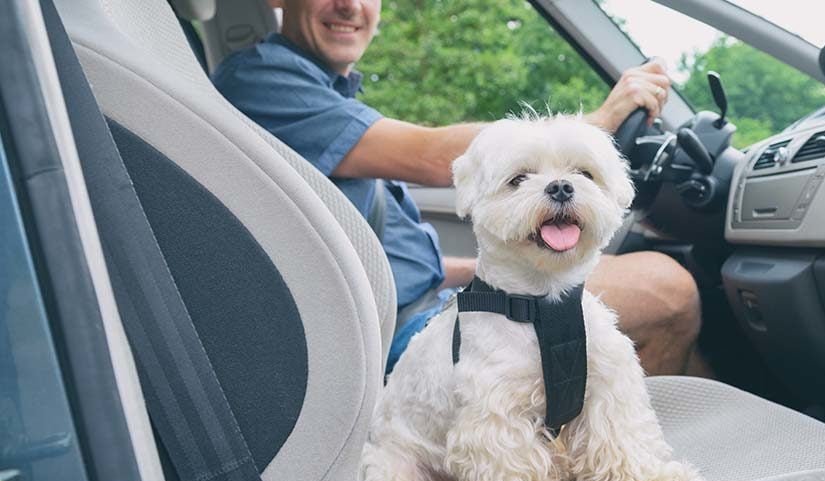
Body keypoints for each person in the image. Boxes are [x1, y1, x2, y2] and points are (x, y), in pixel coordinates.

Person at [213, 0, 705, 376]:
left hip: (412, 306)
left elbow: (383, 257)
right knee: (668, 290)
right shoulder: (261, 80)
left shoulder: (324, 94)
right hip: (397, 337)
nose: (349, 5)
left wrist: (481, 269)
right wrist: (594, 124)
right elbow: (429, 154)